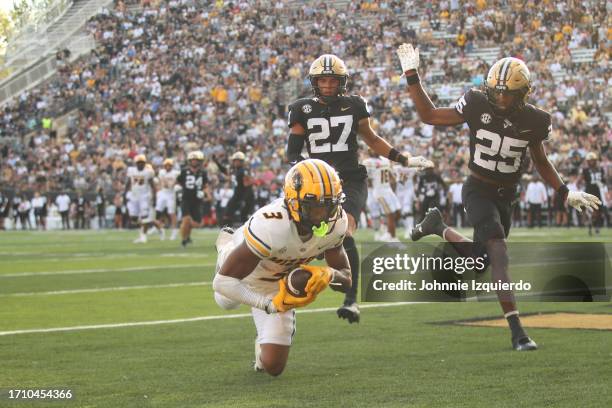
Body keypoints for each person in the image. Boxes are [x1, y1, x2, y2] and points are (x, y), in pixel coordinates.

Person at [397, 43, 601, 351]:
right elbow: (430, 116)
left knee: (480, 262)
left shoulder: (536, 120)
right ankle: (518, 332)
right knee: (499, 255)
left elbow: (541, 160)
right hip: (477, 189)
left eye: (509, 93)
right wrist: (412, 76)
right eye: (498, 91)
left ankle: (437, 226)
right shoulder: (477, 101)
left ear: (524, 94)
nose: (502, 98)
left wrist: (564, 191)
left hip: (507, 197)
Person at [285, 54, 433, 323]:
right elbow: (292, 154)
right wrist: (308, 173)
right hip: (317, 184)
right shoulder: (301, 109)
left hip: (350, 179)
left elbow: (373, 140)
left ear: (342, 82)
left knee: (345, 233)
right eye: (323, 80)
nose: (328, 85)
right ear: (315, 82)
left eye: (333, 80)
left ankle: (351, 300)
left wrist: (404, 159)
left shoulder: (354, 105)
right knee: (294, 235)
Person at [212, 159, 352, 376]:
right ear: (293, 202)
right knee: (224, 302)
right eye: (313, 207)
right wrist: (267, 305)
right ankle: (225, 247)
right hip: (247, 274)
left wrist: (329, 274)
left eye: (328, 205)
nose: (322, 215)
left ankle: (261, 347)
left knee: (273, 368)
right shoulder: (272, 225)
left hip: (279, 283)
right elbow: (223, 283)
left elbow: (346, 279)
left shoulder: (337, 224)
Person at [363, 151, 401, 241]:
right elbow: (367, 178)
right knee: (390, 214)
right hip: (380, 191)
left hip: (387, 189)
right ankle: (392, 238)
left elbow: (392, 176)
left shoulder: (384, 161)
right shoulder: (368, 162)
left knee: (397, 213)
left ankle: (388, 233)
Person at [125, 154, 164, 243]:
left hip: (145, 196)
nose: (140, 164)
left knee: (145, 217)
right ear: (136, 163)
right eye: (139, 163)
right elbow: (128, 183)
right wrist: (125, 193)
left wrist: (154, 198)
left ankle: (143, 236)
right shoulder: (131, 170)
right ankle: (157, 227)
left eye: (142, 163)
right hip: (134, 196)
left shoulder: (148, 172)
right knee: (134, 217)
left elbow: (153, 186)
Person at [177, 151, 210, 247]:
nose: (194, 162)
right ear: (189, 161)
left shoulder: (203, 172)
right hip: (186, 199)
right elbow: (179, 182)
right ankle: (183, 240)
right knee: (186, 219)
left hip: (197, 200)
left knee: (199, 223)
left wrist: (206, 194)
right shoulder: (184, 171)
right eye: (193, 160)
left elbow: (205, 185)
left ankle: (187, 235)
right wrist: (180, 192)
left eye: (196, 160)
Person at [215, 152, 255, 226]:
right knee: (227, 215)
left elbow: (248, 185)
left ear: (242, 162)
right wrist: (217, 162)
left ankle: (246, 234)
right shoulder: (234, 170)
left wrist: (244, 199)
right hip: (237, 195)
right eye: (235, 160)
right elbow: (225, 171)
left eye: (239, 161)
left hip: (244, 196)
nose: (236, 162)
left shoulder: (244, 171)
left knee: (244, 217)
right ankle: (228, 233)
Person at [581, 152, 606, 235]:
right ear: (588, 161)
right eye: (590, 160)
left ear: (595, 161)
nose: (591, 162)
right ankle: (591, 225)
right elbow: (582, 180)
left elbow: (604, 181)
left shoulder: (600, 169)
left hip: (598, 192)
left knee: (598, 212)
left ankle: (595, 226)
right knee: (590, 211)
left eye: (593, 160)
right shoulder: (585, 170)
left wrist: (602, 184)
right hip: (589, 191)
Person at [156, 158, 180, 240]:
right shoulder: (162, 172)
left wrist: (174, 184)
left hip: (171, 194)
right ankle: (160, 229)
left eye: (169, 165)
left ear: (171, 166)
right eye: (166, 165)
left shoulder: (176, 173)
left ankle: (174, 231)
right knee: (157, 213)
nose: (167, 167)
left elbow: (178, 181)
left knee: (172, 213)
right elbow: (163, 182)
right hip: (163, 193)